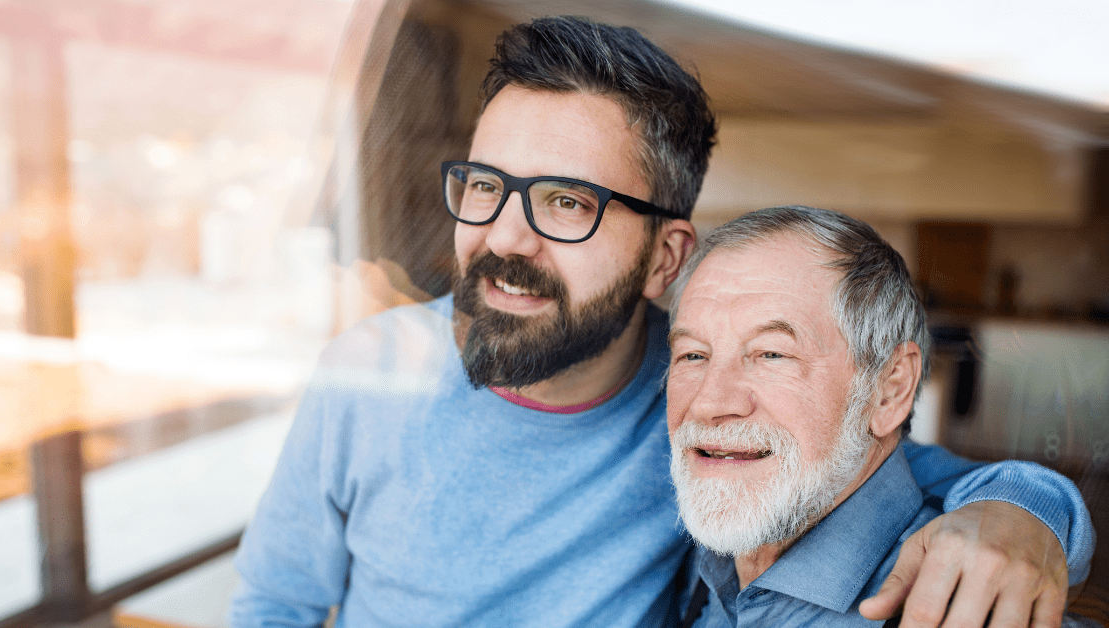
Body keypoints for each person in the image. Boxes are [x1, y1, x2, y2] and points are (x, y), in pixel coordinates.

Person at [231, 16, 1094, 628]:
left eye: (566, 201)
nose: (504, 236)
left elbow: (915, 474)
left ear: (664, 260)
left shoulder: (698, 407)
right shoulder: (367, 375)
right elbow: (275, 603)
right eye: (487, 186)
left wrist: (1028, 517)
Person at [668, 206, 1097, 627]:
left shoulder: (974, 610)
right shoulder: (706, 553)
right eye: (692, 354)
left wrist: (1033, 504)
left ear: (890, 391)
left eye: (772, 354)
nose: (708, 402)